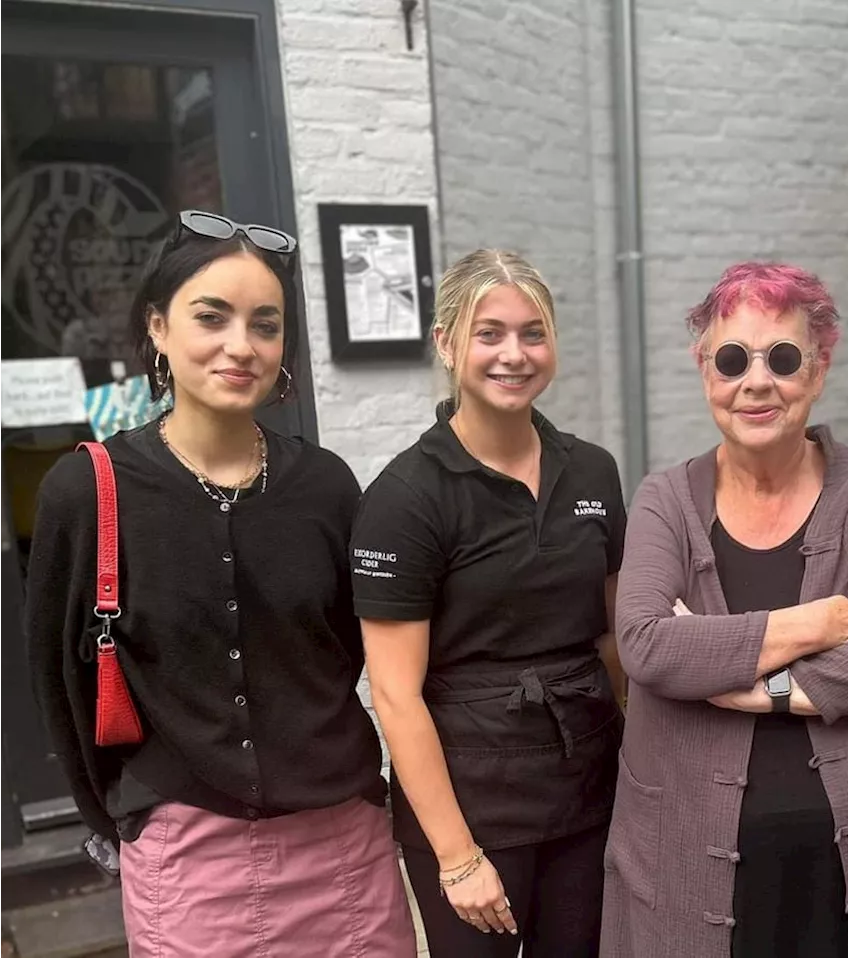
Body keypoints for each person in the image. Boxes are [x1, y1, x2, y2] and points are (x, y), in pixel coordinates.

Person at [25, 210, 416, 956]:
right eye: (213, 316)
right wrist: (125, 818)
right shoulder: (86, 491)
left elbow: (350, 649)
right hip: (186, 850)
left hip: (344, 843)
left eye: (265, 325)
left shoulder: (327, 486)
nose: (242, 346)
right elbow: (60, 683)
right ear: (159, 327)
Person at [603, 262, 848, 958]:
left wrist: (763, 688)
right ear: (706, 374)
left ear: (818, 370)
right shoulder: (665, 500)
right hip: (687, 866)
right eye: (732, 360)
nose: (756, 381)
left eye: (782, 358)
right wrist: (813, 625)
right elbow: (644, 643)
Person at [353, 248, 628, 958]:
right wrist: (457, 856)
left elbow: (614, 644)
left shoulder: (593, 470)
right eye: (490, 333)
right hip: (472, 804)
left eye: (533, 333)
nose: (515, 353)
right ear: (446, 344)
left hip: (586, 789)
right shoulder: (407, 497)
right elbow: (394, 691)